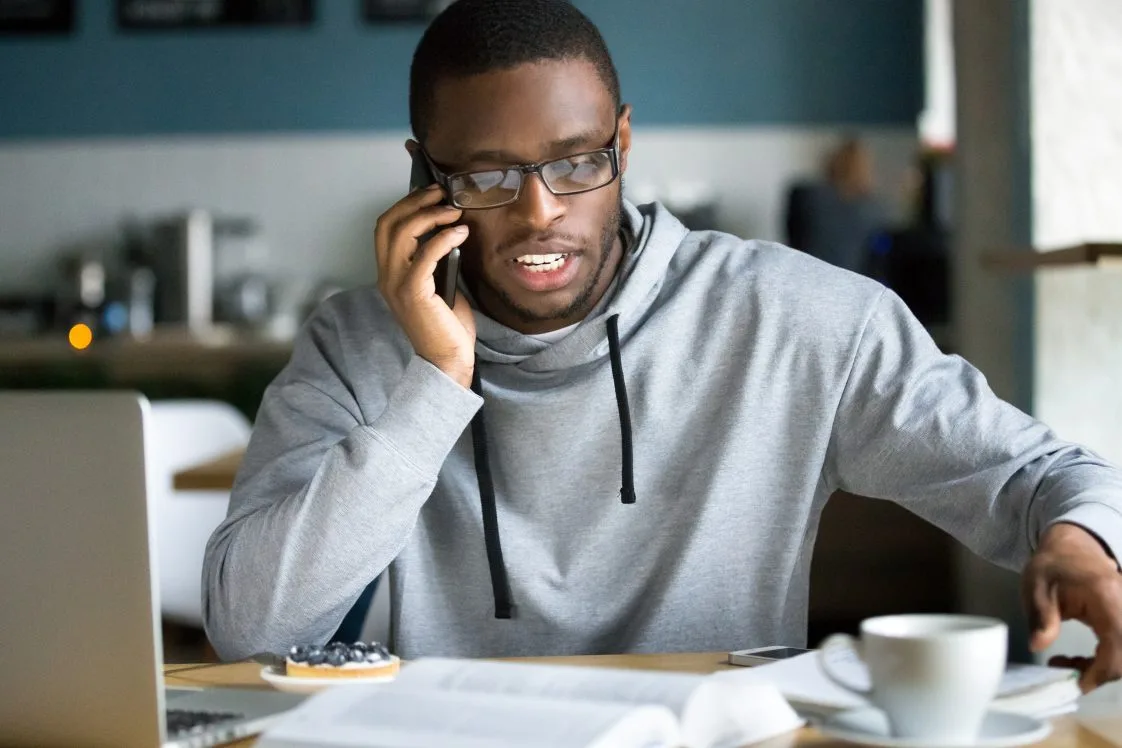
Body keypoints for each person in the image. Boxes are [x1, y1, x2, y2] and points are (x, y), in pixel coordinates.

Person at [203, 0, 1122, 691]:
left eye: (576, 161)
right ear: (423, 174)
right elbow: (249, 626)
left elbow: (1040, 475)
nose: (540, 211)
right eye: (487, 175)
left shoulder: (793, 319)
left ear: (624, 144)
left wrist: (1083, 545)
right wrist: (436, 381)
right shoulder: (356, 344)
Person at [784, 138, 888, 274]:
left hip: (807, 278)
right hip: (853, 284)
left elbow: (793, 241)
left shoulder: (805, 196)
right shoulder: (875, 210)